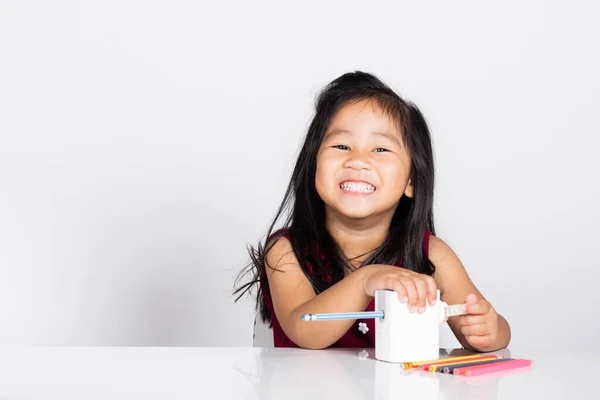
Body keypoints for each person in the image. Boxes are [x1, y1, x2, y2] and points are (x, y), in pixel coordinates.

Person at [233, 71, 511, 352]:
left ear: (411, 181)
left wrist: (488, 329)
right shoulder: (285, 251)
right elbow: (304, 331)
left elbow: (495, 331)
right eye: (341, 146)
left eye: (380, 149)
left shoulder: (431, 253)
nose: (358, 161)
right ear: (314, 165)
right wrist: (366, 279)